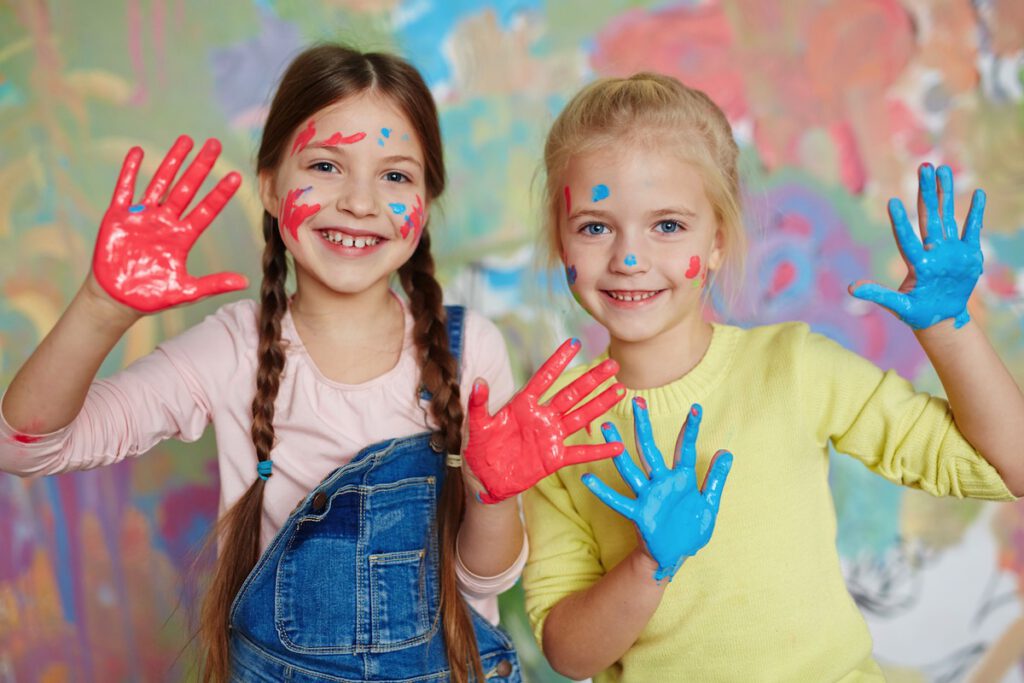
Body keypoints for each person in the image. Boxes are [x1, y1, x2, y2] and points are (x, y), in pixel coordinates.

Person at [0, 44, 625, 683]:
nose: (359, 201)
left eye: (395, 176)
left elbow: (484, 578)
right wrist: (103, 307)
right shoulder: (232, 349)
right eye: (326, 165)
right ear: (270, 186)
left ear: (427, 200)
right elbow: (25, 447)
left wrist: (492, 498)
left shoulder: (470, 352)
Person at [521, 71, 1024, 682]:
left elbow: (1010, 466)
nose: (629, 258)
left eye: (668, 226)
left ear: (719, 240)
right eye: (595, 226)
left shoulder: (795, 367)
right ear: (560, 240)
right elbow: (569, 655)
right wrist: (649, 563)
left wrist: (950, 329)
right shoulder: (555, 431)